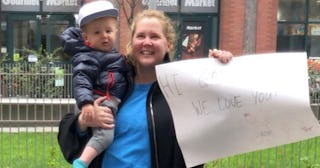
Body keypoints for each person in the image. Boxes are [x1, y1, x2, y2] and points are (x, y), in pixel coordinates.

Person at [58, 9, 233, 168]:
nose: (146, 42)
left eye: (155, 37)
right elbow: (67, 135)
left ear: (169, 44)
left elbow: (217, 117)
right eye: (140, 36)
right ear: (132, 42)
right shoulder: (115, 83)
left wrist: (219, 68)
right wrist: (83, 121)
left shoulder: (180, 91)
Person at [60, 1, 129, 167]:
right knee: (104, 136)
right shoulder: (89, 56)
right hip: (96, 101)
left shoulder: (112, 56)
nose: (104, 35)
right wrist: (86, 104)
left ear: (116, 32)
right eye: (97, 32)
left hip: (103, 99)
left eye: (108, 30)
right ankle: (82, 162)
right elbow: (81, 79)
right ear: (86, 38)